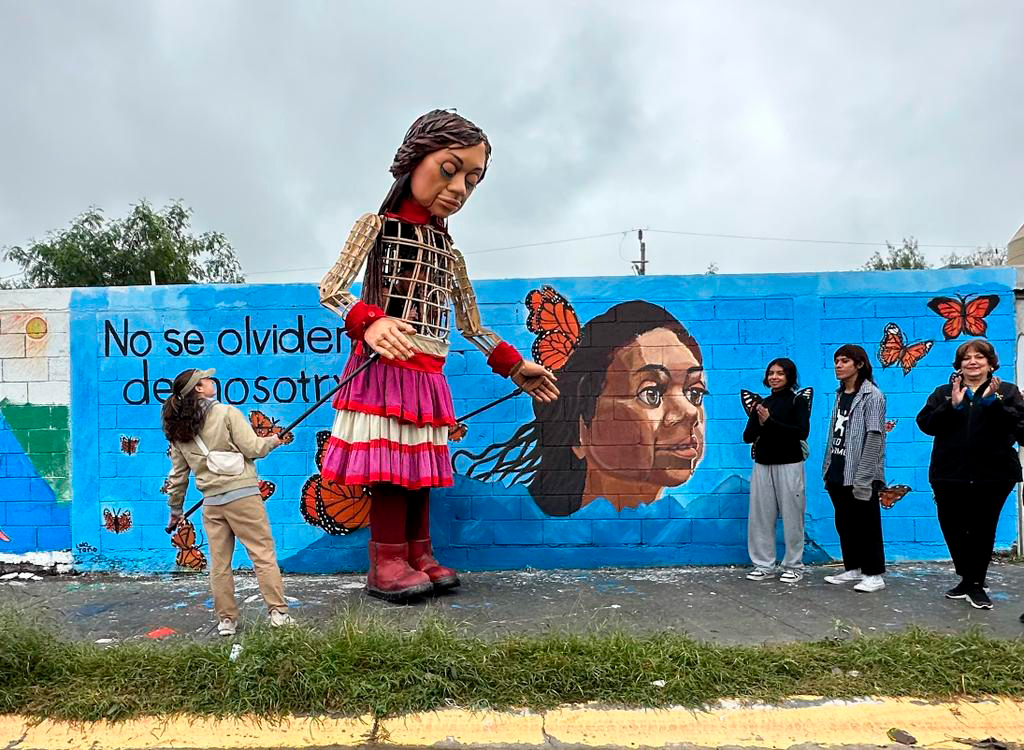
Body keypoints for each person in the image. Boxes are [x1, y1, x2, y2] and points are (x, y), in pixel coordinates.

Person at [318, 109, 558, 602]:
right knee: (389, 471)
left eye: (472, 181)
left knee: (418, 470)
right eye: (450, 169)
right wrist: (372, 321)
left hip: (428, 375)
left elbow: (471, 324)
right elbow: (332, 289)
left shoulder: (451, 253)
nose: (459, 189)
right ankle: (386, 559)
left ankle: (418, 552)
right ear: (415, 160)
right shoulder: (376, 226)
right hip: (383, 370)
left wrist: (515, 365)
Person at [456, 300, 706, 516]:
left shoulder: (691, 524)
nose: (690, 411)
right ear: (581, 428)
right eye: (651, 393)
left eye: (694, 393)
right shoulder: (513, 526)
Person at [161, 368, 293, 636]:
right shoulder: (227, 413)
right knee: (262, 555)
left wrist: (175, 511)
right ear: (198, 388)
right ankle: (278, 613)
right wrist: (275, 441)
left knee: (219, 564)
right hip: (243, 497)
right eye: (207, 380)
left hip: (212, 504)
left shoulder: (178, 430)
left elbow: (177, 477)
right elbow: (254, 449)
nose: (212, 382)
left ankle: (226, 621)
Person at [916, 339, 1024, 610]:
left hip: (994, 474)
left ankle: (975, 584)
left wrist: (994, 405)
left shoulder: (1008, 392)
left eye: (979, 357)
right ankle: (969, 577)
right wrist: (951, 406)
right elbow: (926, 425)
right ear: (959, 364)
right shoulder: (943, 392)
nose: (973, 362)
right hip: (948, 473)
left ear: (990, 363)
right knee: (953, 527)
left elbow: (1021, 431)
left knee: (982, 528)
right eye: (967, 358)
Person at [821, 344, 888, 592]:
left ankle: (874, 574)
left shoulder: (873, 396)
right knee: (845, 522)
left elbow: (874, 436)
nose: (838, 365)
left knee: (866, 524)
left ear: (859, 364)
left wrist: (865, 475)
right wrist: (828, 468)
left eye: (845, 361)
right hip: (838, 469)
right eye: (837, 360)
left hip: (860, 473)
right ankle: (854, 568)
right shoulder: (841, 394)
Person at [742, 358, 810, 583]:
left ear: (789, 376)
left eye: (780, 373)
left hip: (790, 464)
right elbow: (747, 436)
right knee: (760, 517)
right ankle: (763, 565)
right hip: (762, 464)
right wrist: (759, 420)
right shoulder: (763, 403)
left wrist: (769, 423)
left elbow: (801, 432)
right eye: (771, 373)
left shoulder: (796, 402)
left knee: (792, 516)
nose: (774, 377)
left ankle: (793, 565)